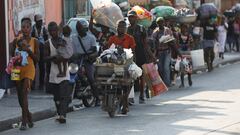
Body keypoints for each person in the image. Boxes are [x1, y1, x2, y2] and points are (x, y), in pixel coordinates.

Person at [11, 17, 40, 130]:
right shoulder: (16, 40)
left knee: (24, 93)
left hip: (29, 69)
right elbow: (12, 55)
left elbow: (37, 59)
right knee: (19, 98)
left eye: (27, 27)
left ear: (31, 28)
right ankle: (28, 115)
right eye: (23, 27)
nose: (25, 29)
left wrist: (28, 50)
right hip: (17, 69)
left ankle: (24, 122)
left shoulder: (34, 41)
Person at [44, 22, 72, 124]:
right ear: (49, 32)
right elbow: (44, 58)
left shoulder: (63, 40)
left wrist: (64, 57)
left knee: (64, 95)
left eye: (55, 30)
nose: (53, 32)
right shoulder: (48, 43)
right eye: (51, 31)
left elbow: (69, 53)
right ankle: (59, 112)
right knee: (56, 97)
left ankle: (63, 115)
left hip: (64, 73)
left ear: (58, 31)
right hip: (53, 73)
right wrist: (53, 57)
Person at [107, 20, 136, 114]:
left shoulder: (130, 38)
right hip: (114, 64)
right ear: (117, 28)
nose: (121, 29)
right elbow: (108, 51)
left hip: (126, 64)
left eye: (123, 27)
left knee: (128, 83)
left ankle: (125, 102)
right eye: (119, 27)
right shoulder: (112, 38)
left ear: (126, 28)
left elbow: (133, 52)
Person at [127, 10, 155, 104]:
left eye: (132, 17)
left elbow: (145, 44)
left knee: (141, 76)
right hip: (129, 54)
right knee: (129, 76)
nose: (130, 18)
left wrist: (151, 56)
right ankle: (129, 97)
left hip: (141, 54)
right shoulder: (127, 29)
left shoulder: (141, 29)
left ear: (136, 18)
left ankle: (142, 95)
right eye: (129, 17)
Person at [71, 18, 100, 106]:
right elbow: (70, 49)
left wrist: (89, 55)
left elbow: (95, 51)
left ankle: (97, 98)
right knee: (70, 74)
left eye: (80, 28)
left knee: (91, 78)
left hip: (87, 60)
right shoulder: (73, 37)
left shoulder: (91, 38)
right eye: (78, 28)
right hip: (76, 60)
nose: (79, 30)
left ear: (85, 28)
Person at [151, 17, 173, 87]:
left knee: (166, 67)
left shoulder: (167, 30)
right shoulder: (155, 32)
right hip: (159, 52)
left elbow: (172, 41)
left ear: (164, 22)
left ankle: (167, 83)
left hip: (167, 51)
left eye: (162, 22)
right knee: (160, 68)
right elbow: (153, 42)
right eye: (159, 23)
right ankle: (162, 83)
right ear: (157, 24)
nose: (161, 24)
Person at [31, 14, 48, 90]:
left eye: (41, 21)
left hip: (42, 49)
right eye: (39, 21)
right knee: (33, 67)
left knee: (42, 67)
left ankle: (41, 84)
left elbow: (46, 39)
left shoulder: (44, 29)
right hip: (34, 49)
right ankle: (33, 83)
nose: (40, 22)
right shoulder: (32, 29)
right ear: (35, 21)